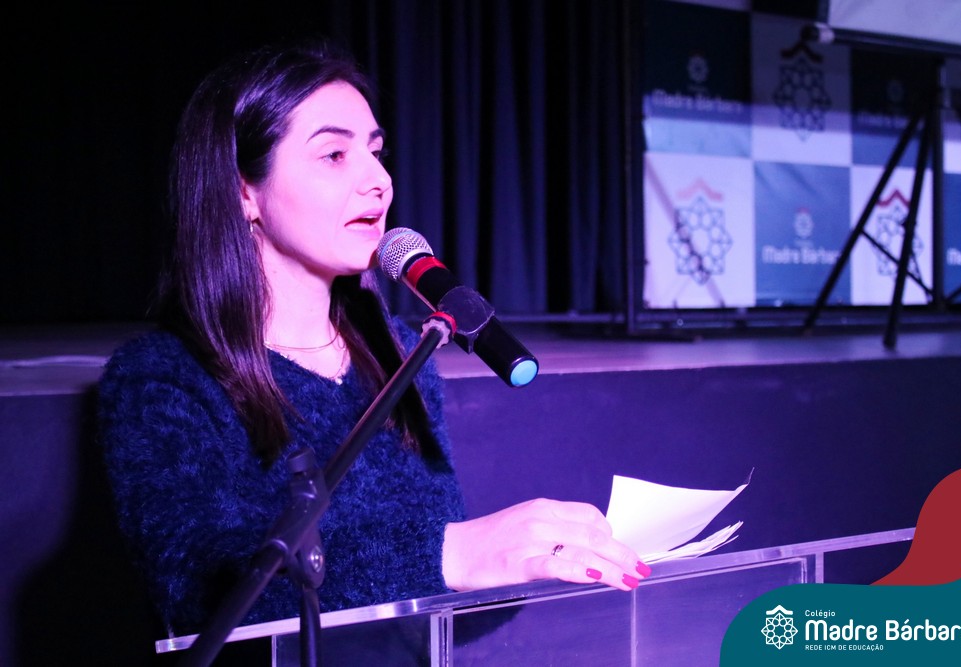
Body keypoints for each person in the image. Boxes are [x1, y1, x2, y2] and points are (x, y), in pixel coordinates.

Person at [96, 36, 650, 638]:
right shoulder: (162, 380)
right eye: (335, 155)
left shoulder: (400, 350)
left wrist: (526, 563)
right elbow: (201, 594)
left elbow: (431, 606)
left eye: (377, 152)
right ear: (243, 191)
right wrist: (453, 554)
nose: (380, 181)